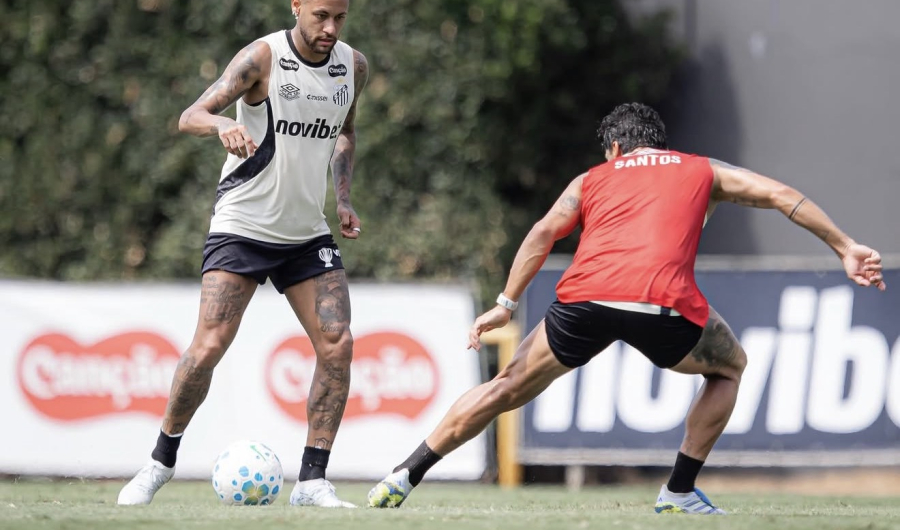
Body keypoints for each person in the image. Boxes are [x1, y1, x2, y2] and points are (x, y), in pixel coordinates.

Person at [367, 102, 886, 515]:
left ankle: (403, 474)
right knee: (730, 367)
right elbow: (781, 194)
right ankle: (679, 492)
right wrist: (844, 246)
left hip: (585, 298)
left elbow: (544, 231)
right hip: (661, 303)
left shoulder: (592, 178)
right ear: (661, 144)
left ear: (615, 147)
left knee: (503, 388)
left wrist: (506, 303)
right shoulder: (703, 169)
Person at [118, 0, 368, 508]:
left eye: (340, 18)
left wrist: (343, 198)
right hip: (244, 226)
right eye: (321, 15)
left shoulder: (353, 66)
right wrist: (223, 124)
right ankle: (159, 462)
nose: (330, 29)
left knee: (338, 344)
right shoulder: (262, 58)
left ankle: (311, 482)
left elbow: (345, 133)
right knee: (209, 346)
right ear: (296, 6)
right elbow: (190, 114)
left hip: (306, 233)